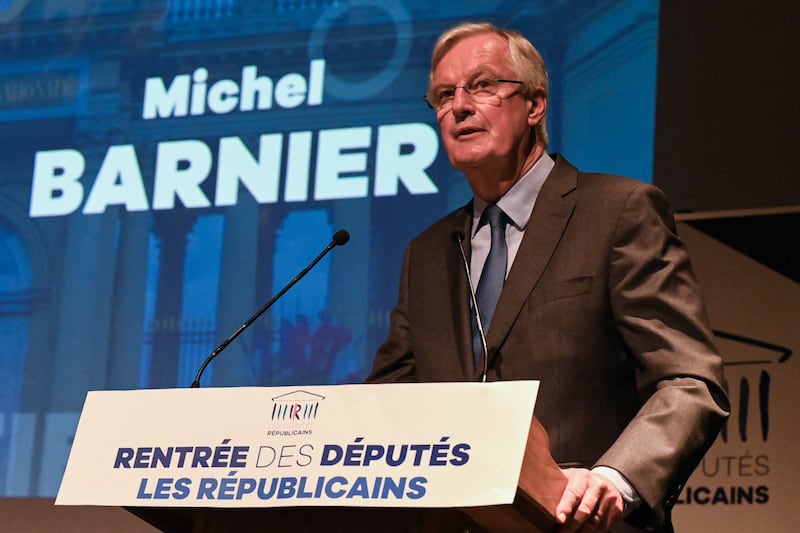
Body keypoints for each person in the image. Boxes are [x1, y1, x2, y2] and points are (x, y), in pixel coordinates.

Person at [367, 22, 729, 533]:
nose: (460, 106)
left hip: (582, 522)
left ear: (535, 105)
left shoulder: (619, 211)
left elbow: (688, 380)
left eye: (483, 85)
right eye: (444, 94)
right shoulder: (427, 253)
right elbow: (390, 401)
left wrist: (616, 478)